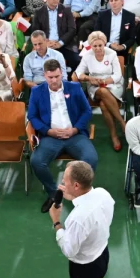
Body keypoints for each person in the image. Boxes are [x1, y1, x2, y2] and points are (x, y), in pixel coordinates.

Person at [28, 59, 96, 212]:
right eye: (51, 77)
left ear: (61, 74)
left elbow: (87, 111)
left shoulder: (75, 87)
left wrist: (75, 129)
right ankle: (54, 193)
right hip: (51, 137)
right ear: (45, 76)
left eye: (57, 76)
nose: (54, 80)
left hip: (75, 135)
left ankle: (78, 193)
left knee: (91, 159)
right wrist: (48, 131)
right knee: (37, 161)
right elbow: (32, 116)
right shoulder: (37, 92)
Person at [74, 31, 124, 150]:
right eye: (94, 46)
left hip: (113, 84)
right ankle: (122, 122)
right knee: (102, 92)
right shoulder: (87, 56)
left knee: (103, 104)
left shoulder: (111, 53)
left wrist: (105, 82)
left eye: (100, 45)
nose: (97, 48)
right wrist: (89, 78)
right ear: (91, 46)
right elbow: (78, 72)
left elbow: (118, 75)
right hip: (95, 87)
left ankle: (114, 135)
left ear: (104, 44)